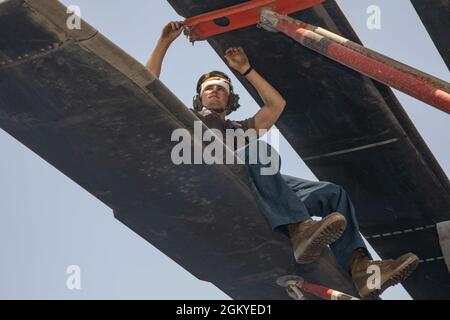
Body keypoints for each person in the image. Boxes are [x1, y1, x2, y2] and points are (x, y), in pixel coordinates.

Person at [146, 21, 419, 299]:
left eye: (221, 88)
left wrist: (245, 70)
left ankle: (362, 270)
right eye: (209, 88)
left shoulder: (239, 129)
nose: (215, 90)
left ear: (230, 99)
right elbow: (146, 83)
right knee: (259, 152)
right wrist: (164, 42)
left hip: (256, 183)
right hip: (213, 176)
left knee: (331, 194)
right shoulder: (189, 119)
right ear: (198, 97)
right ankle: (299, 229)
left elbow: (276, 106)